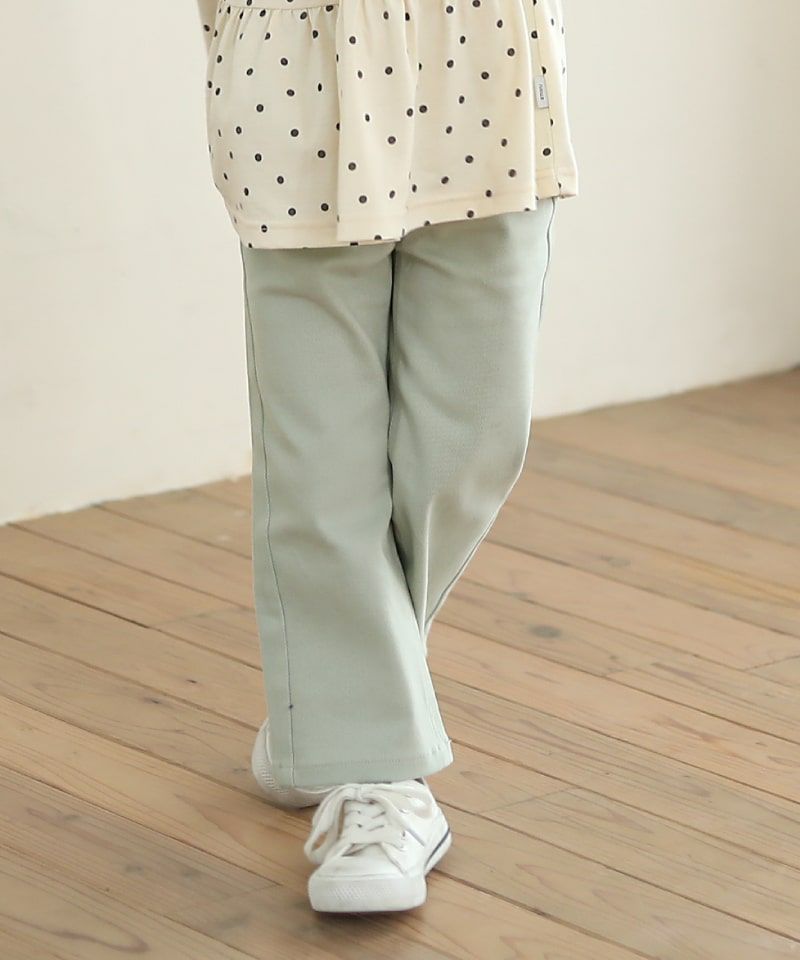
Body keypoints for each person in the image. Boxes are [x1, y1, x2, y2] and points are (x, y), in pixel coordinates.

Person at [196, 0, 578, 914]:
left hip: (487, 73)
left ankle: (327, 707)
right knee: (319, 467)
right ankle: (374, 775)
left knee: (475, 439)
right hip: (298, 77)